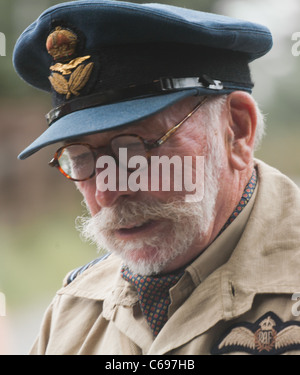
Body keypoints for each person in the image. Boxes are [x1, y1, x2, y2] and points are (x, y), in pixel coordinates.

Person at [13, 0, 300, 355]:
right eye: (81, 157)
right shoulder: (72, 312)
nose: (106, 192)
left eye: (134, 149)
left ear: (236, 130)